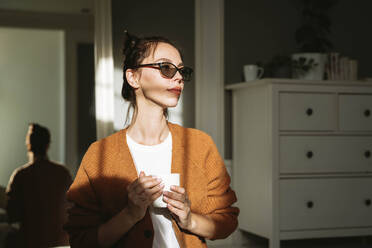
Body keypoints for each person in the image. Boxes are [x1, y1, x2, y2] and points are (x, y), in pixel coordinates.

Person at [64, 31, 239, 248]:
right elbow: (81, 241)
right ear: (133, 77)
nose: (178, 78)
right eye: (166, 68)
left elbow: (227, 220)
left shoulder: (201, 145)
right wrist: (130, 214)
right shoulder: (99, 156)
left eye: (182, 71)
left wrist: (189, 219)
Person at [6, 123, 72, 248]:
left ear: (28, 145)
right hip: (61, 243)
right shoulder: (63, 174)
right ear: (48, 145)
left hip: (31, 243)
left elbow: (12, 215)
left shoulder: (21, 176)